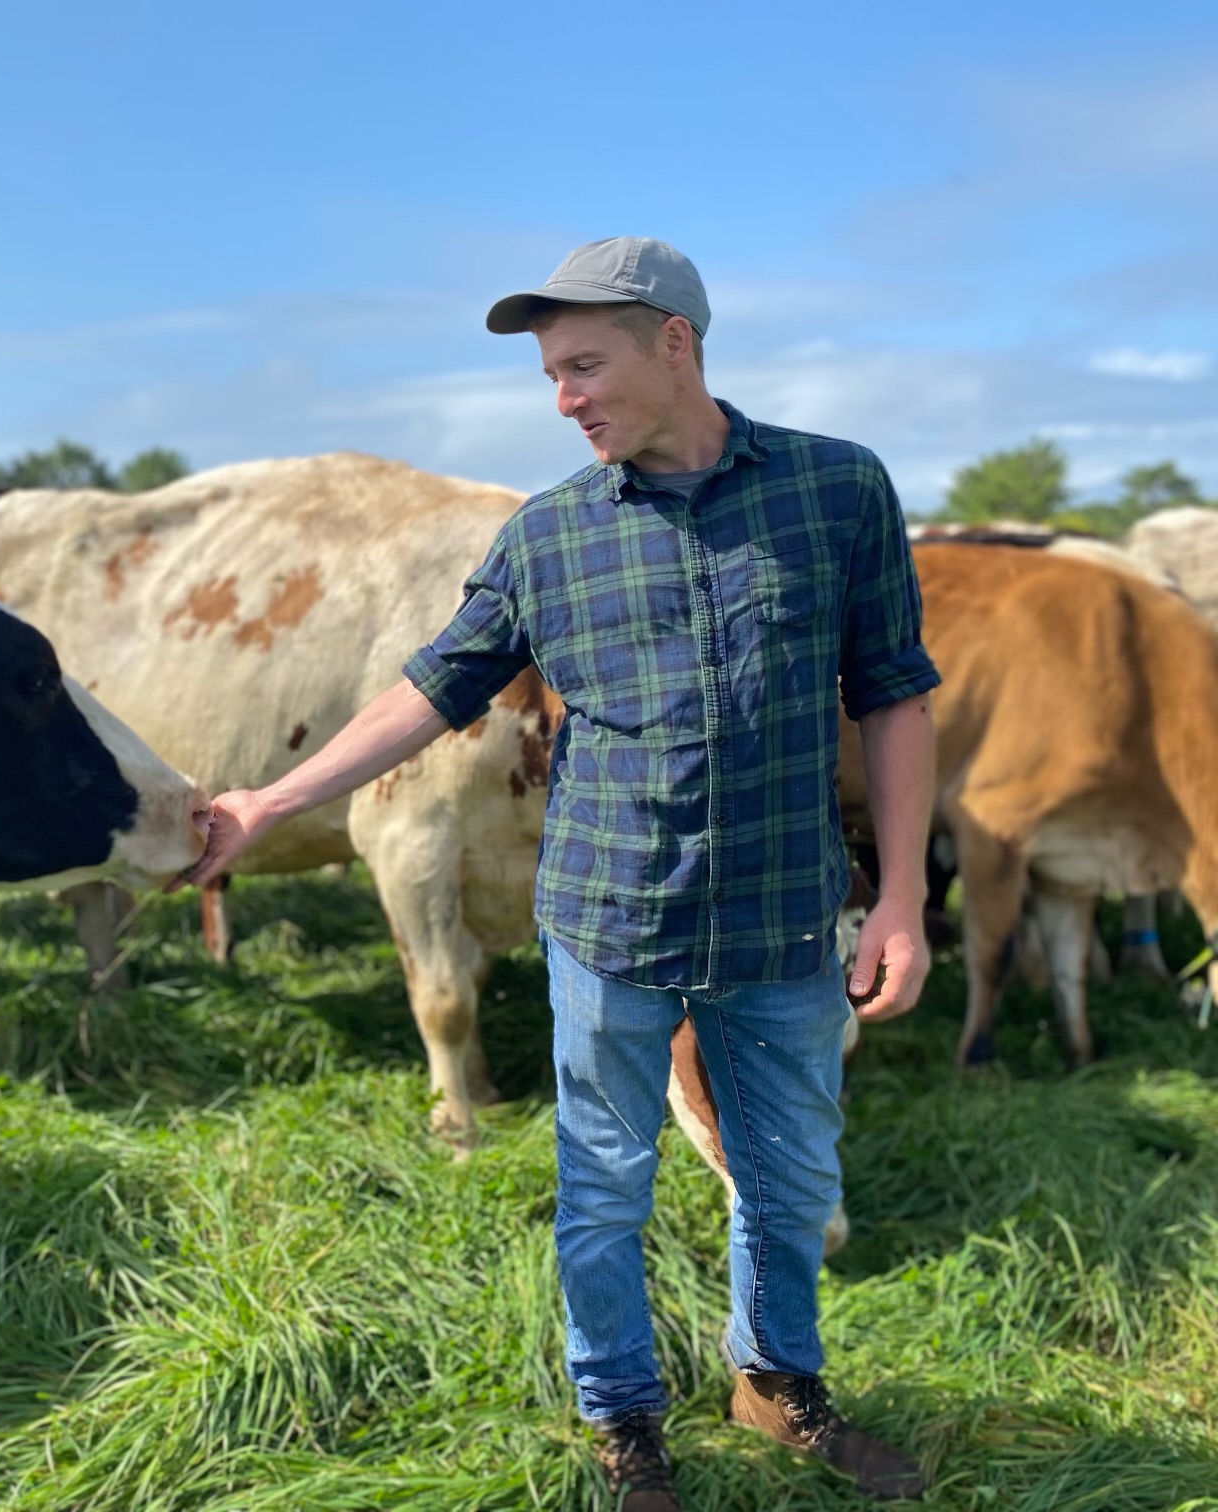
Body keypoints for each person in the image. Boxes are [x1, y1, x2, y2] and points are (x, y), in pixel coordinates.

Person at [174, 237, 936, 1507]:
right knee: (603, 1188)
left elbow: (895, 696)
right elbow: (431, 689)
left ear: (676, 343)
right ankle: (624, 1416)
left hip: (784, 923)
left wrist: (902, 896)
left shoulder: (838, 491)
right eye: (551, 375)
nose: (565, 396)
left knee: (791, 1179)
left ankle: (777, 1388)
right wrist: (272, 799)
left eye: (585, 364)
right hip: (608, 921)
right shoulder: (549, 534)